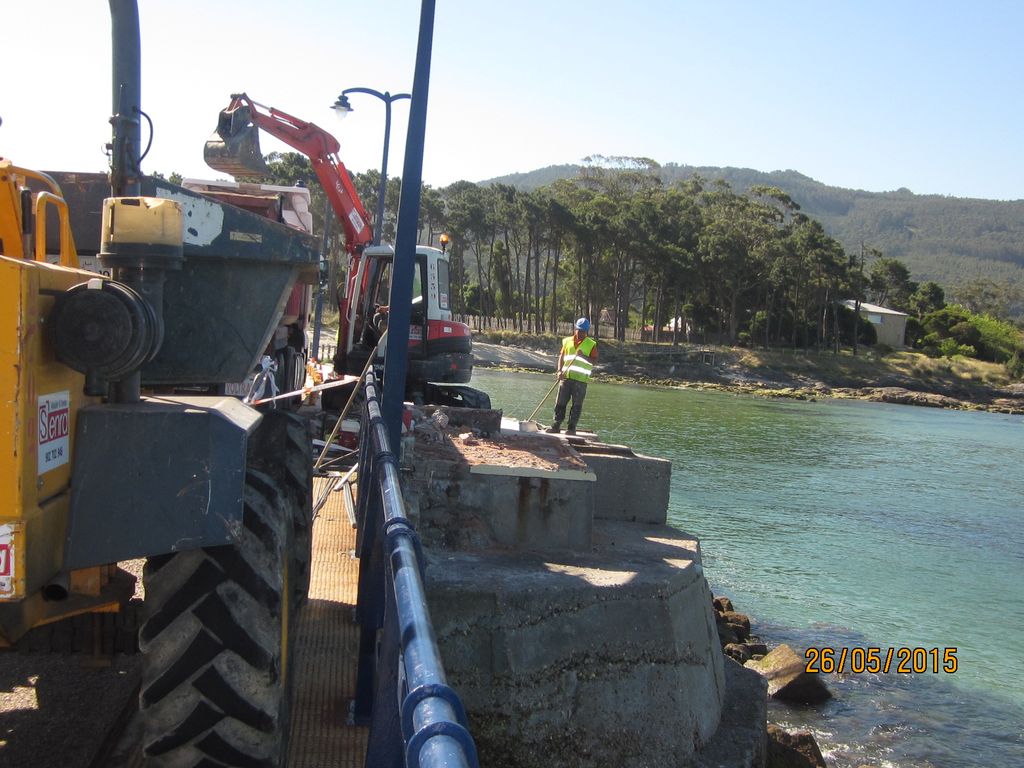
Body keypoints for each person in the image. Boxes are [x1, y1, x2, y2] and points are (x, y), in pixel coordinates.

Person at [547, 317, 598, 435]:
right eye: (579, 330)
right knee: (560, 402)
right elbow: (561, 356)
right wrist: (559, 371)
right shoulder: (567, 341)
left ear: (587, 332)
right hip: (565, 377)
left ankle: (571, 428)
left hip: (581, 381)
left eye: (583, 332)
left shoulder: (591, 344)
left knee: (577, 405)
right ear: (575, 329)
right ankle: (556, 426)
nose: (580, 333)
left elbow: (594, 361)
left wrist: (583, 356)